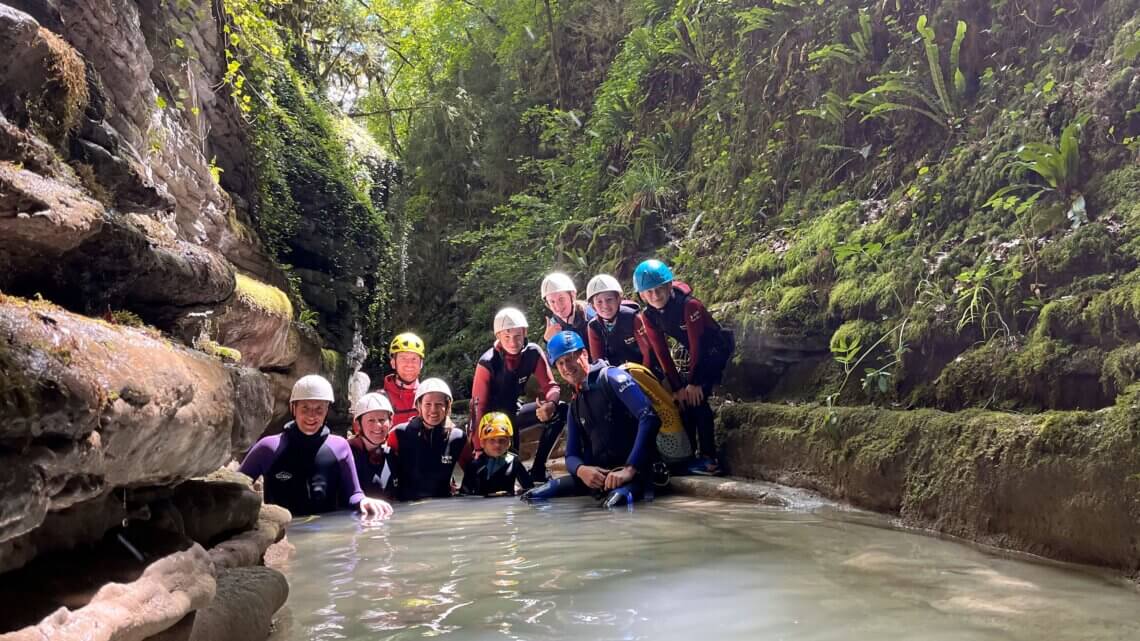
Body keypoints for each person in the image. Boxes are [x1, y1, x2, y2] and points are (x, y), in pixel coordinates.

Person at [522, 331, 663, 507]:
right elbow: (571, 454)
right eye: (560, 363)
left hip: (636, 473)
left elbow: (649, 417)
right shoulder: (576, 402)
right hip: (600, 477)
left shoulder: (611, 378)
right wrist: (582, 471)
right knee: (532, 496)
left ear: (585, 354)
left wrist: (629, 469)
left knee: (612, 506)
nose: (566, 366)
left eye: (570, 358)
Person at [240, 375, 392, 518]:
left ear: (327, 410)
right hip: (285, 535)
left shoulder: (339, 446)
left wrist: (363, 501)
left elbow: (354, 493)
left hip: (330, 537)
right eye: (305, 408)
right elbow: (235, 486)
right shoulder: (269, 447)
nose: (312, 416)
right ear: (294, 408)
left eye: (319, 409)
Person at [634, 259, 734, 475]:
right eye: (648, 292)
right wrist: (678, 386)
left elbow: (699, 344)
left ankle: (709, 457)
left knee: (697, 401)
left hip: (715, 350)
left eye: (659, 288)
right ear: (641, 295)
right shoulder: (649, 316)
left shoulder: (690, 306)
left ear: (669, 286)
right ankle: (687, 457)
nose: (655, 295)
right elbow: (661, 353)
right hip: (695, 355)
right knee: (682, 402)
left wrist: (695, 382)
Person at [469, 307, 566, 481]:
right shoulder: (487, 363)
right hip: (491, 421)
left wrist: (550, 404)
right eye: (507, 337)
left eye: (517, 336)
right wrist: (478, 449)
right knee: (507, 475)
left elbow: (552, 386)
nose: (513, 342)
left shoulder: (533, 353)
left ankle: (538, 468)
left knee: (562, 410)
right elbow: (478, 408)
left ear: (524, 333)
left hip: (515, 412)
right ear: (498, 336)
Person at [388, 378, 466, 501]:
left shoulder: (458, 437)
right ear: (418, 405)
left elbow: (474, 472)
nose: (433, 410)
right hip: (406, 506)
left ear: (447, 406)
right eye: (428, 404)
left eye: (439, 404)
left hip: (442, 506)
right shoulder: (399, 433)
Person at [584, 273, 654, 369]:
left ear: (618, 299)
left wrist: (644, 376)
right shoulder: (593, 327)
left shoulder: (632, 317)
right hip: (617, 374)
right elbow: (598, 360)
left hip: (643, 368)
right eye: (599, 302)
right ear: (593, 306)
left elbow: (647, 352)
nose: (605, 306)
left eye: (609, 299)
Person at [460, 412, 534, 496]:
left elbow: (530, 488)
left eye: (502, 440)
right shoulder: (474, 466)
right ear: (483, 443)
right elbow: (465, 495)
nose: (497, 444)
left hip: (507, 506)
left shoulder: (514, 462)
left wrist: (518, 493)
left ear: (508, 443)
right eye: (492, 440)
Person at [348, 392, 397, 499]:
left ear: (391, 422)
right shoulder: (347, 456)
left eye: (382, 420)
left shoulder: (391, 456)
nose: (378, 426)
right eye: (371, 420)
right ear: (358, 425)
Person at [540, 272, 595, 356]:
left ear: (572, 296)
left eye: (561, 299)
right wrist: (547, 341)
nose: (557, 306)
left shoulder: (591, 314)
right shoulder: (554, 327)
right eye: (552, 302)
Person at [381, 332, 425, 426]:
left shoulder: (429, 396)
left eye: (414, 359)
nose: (409, 364)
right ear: (393, 363)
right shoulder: (380, 400)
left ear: (421, 364)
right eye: (403, 358)